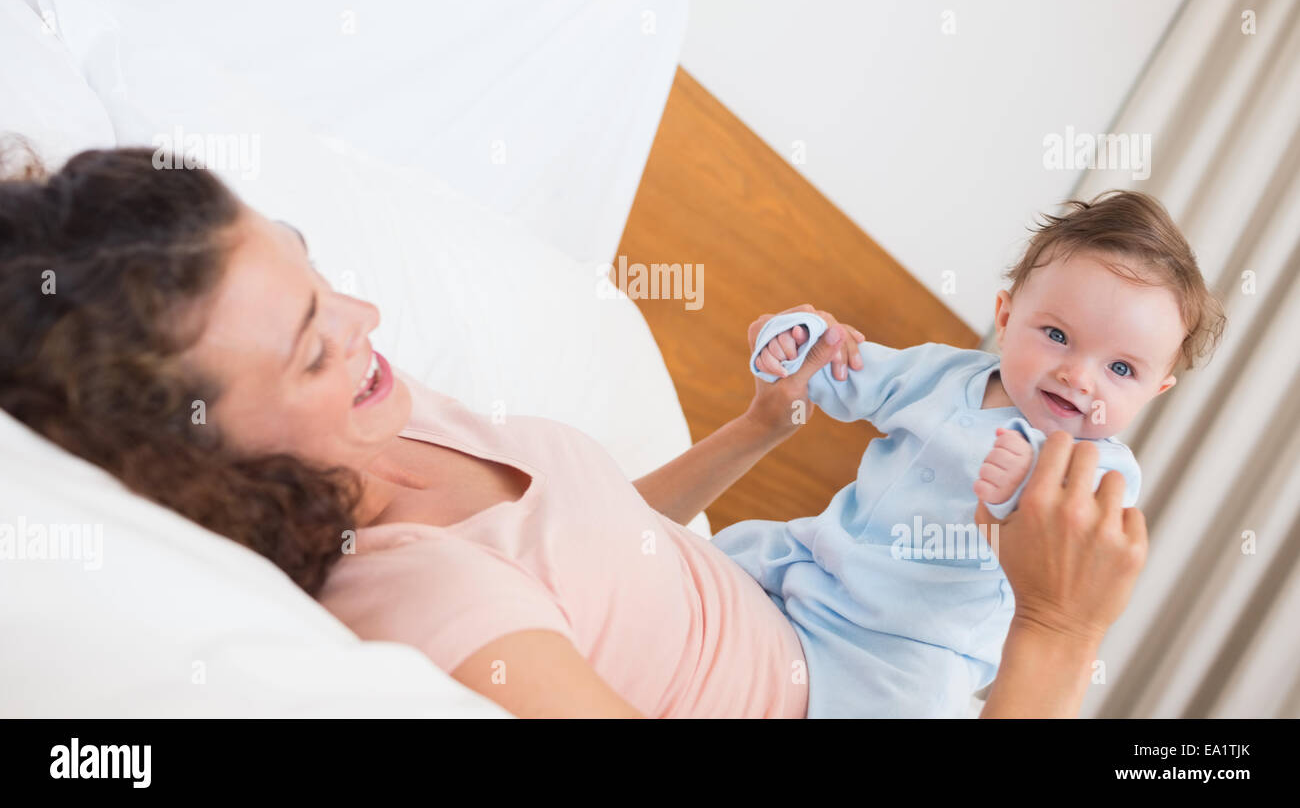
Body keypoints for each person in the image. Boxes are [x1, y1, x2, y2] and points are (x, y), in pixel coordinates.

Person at [0, 146, 1149, 717]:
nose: (365, 319)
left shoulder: (386, 416)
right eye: (310, 342)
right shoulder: (410, 586)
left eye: (318, 273)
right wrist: (1050, 628)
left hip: (787, 602)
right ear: (197, 454)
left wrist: (755, 425)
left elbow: (606, 548)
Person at [715, 191, 1224, 716]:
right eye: (1056, 335)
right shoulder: (940, 372)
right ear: (1005, 318)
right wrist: (797, 345)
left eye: (1120, 369)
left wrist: (1026, 493)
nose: (1079, 376)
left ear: (1154, 392)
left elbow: (1071, 548)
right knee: (722, 554)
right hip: (814, 563)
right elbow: (843, 371)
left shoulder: (1100, 469)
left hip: (910, 645)